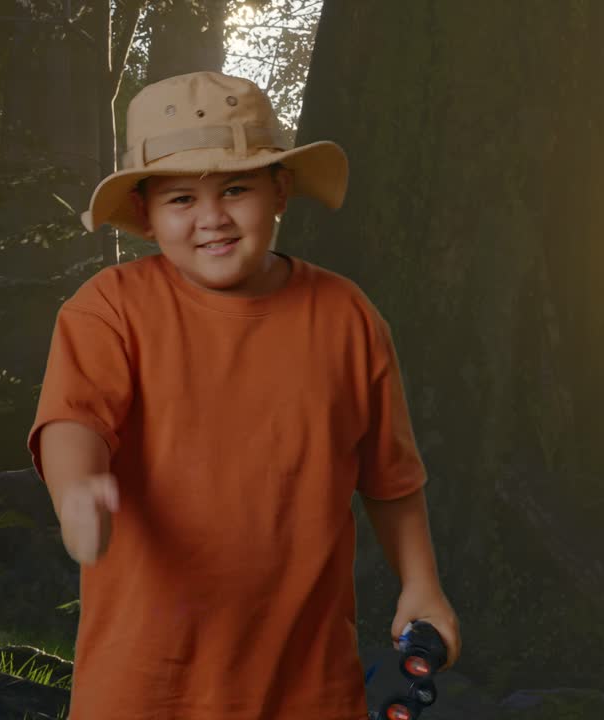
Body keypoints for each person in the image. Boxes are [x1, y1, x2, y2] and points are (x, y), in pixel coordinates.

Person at [27, 70, 460, 720]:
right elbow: (72, 420)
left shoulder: (347, 318)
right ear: (145, 213)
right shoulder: (109, 310)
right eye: (180, 199)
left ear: (280, 190)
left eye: (235, 189)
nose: (212, 218)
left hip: (308, 686)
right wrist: (77, 489)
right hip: (145, 689)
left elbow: (390, 476)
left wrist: (422, 584)